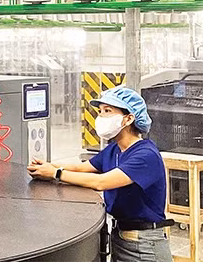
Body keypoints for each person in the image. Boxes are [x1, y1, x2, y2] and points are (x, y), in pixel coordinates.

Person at [27, 86, 172, 262]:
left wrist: (56, 173)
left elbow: (101, 182)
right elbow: (82, 167)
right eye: (100, 111)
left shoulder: (145, 155)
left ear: (128, 118)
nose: (100, 117)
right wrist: (48, 167)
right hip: (120, 237)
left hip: (145, 245)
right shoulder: (114, 150)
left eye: (108, 111)